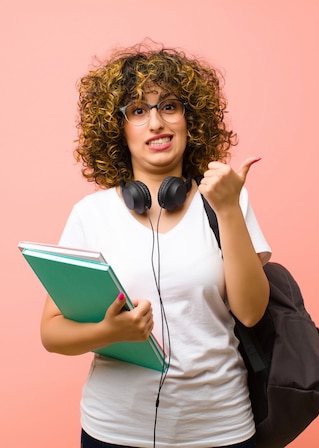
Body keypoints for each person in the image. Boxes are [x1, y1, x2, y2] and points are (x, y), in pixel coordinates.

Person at [40, 41, 271, 448]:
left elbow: (251, 313)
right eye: (138, 110)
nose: (156, 123)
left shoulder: (226, 202)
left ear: (189, 119)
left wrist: (230, 210)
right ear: (119, 128)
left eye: (169, 106)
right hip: (114, 431)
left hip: (221, 429)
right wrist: (107, 332)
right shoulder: (90, 215)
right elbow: (52, 333)